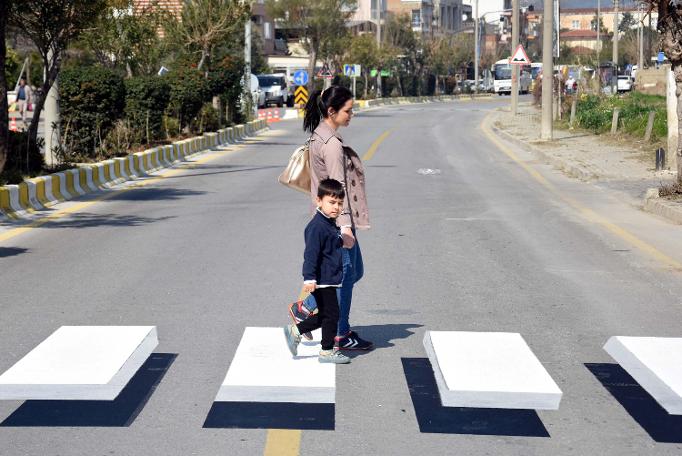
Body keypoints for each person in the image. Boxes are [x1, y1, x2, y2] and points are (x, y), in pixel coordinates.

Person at [288, 85, 374, 351]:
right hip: (336, 221)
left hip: (328, 217)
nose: (352, 115)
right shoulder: (332, 145)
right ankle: (340, 333)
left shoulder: (319, 135)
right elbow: (339, 189)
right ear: (332, 111)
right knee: (344, 276)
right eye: (348, 110)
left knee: (354, 271)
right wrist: (345, 227)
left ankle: (306, 306)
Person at [283, 178, 351, 364]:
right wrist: (309, 278)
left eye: (339, 203)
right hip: (322, 279)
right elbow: (311, 254)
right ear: (318, 201)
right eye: (331, 202)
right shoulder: (316, 227)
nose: (336, 207)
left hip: (329, 277)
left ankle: (296, 330)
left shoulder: (328, 223)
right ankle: (326, 351)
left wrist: (340, 239)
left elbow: (330, 246)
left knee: (327, 314)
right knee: (332, 315)